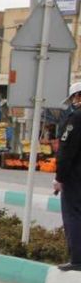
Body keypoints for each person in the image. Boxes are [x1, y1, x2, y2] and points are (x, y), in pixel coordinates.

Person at [54, 81, 81, 271]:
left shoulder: (76, 118)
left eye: (74, 98)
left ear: (78, 97)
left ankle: (77, 259)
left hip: (75, 176)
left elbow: (66, 152)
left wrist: (59, 178)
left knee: (73, 215)